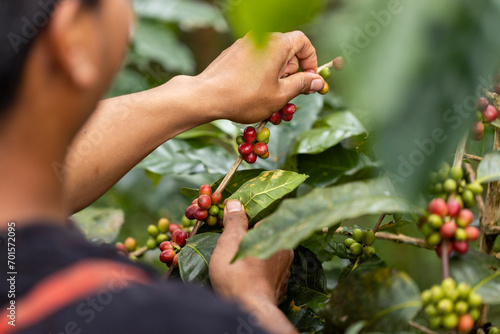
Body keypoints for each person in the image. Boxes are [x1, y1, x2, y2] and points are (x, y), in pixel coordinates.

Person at [0, 0, 326, 333]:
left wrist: (204, 92)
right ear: (74, 35)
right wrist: (253, 304)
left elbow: (37, 159)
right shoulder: (141, 318)